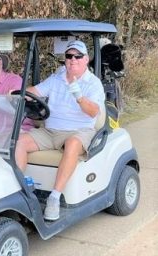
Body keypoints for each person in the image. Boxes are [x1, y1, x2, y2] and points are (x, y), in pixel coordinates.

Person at [15, 40, 105, 221]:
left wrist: (78, 95)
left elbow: (94, 111)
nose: (73, 60)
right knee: (19, 142)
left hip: (79, 130)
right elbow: (36, 91)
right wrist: (17, 92)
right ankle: (19, 192)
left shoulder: (93, 83)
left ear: (86, 59)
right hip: (50, 131)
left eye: (78, 56)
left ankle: (54, 197)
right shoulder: (57, 78)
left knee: (72, 144)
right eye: (69, 56)